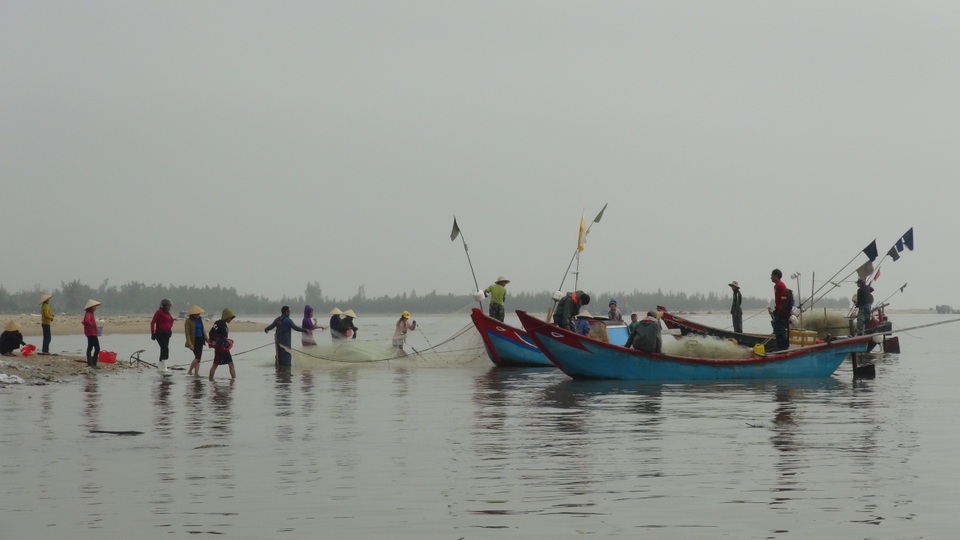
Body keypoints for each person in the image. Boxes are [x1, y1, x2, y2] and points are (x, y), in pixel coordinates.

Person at [208, 308, 236, 381]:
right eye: (230, 317)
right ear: (226, 316)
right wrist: (213, 342)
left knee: (231, 364)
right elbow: (211, 333)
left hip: (225, 347)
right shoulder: (219, 323)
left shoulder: (225, 325)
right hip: (220, 348)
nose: (231, 319)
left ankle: (234, 381)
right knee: (215, 364)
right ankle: (210, 380)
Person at [767, 269, 791, 351]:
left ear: (776, 276)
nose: (770, 277)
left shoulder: (781, 285)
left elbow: (783, 300)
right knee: (777, 328)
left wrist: (780, 311)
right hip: (779, 311)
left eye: (772, 275)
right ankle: (780, 347)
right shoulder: (777, 286)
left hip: (781, 312)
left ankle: (783, 348)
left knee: (780, 330)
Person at [150, 298, 175, 372]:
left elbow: (171, 321)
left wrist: (170, 330)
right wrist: (153, 333)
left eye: (170, 306)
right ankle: (164, 368)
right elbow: (153, 322)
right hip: (159, 333)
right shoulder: (159, 312)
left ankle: (160, 367)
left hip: (166, 334)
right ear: (163, 305)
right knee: (165, 348)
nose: (169, 307)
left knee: (163, 349)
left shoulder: (168, 313)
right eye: (168, 305)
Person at [184, 305, 207, 376]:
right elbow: (187, 334)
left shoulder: (200, 319)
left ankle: (196, 373)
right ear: (193, 314)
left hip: (201, 340)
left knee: (199, 358)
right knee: (197, 357)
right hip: (194, 341)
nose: (198, 315)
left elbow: (203, 330)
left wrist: (207, 339)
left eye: (199, 313)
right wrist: (190, 344)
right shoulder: (188, 321)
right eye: (197, 314)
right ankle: (190, 371)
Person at [82, 299, 101, 368]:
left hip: (91, 332)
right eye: (94, 307)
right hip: (91, 333)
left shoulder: (90, 313)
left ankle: (92, 364)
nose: (95, 308)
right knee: (96, 348)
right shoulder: (88, 313)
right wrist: (92, 325)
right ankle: (92, 364)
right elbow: (86, 321)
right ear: (91, 307)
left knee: (91, 347)